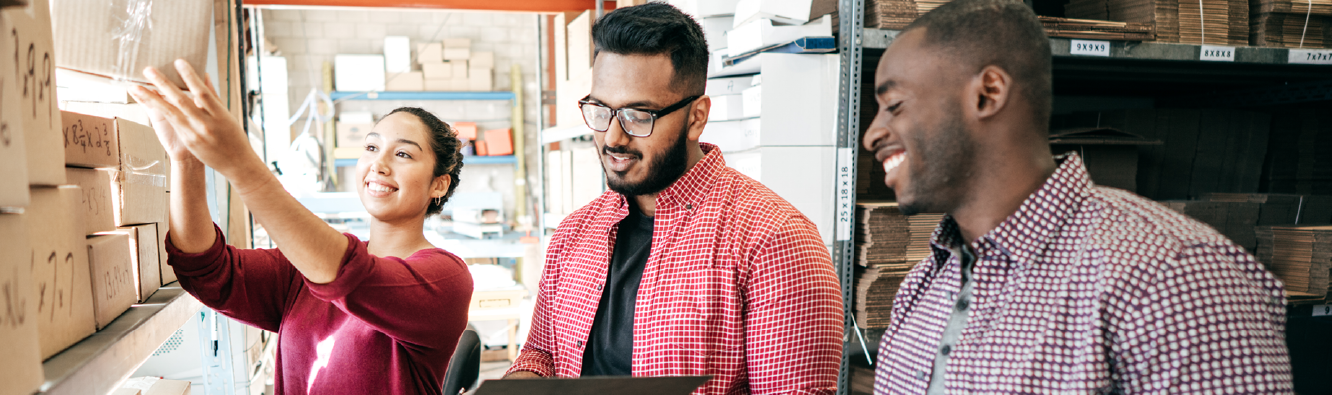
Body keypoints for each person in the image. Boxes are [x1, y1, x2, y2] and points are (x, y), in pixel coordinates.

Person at [862, 0, 1293, 393]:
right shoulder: (924, 283)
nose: (871, 135)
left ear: (987, 93)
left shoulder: (1173, 276)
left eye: (894, 104)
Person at [504, 3, 843, 393]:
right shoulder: (574, 233)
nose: (613, 138)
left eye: (638, 115)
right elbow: (541, 353)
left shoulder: (773, 240)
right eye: (600, 110)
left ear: (696, 117)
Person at [130, 61, 473, 395]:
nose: (378, 165)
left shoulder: (445, 278)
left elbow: (351, 279)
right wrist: (185, 159)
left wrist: (241, 164)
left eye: (403, 155)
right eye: (371, 148)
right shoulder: (303, 270)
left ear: (438, 185)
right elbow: (207, 271)